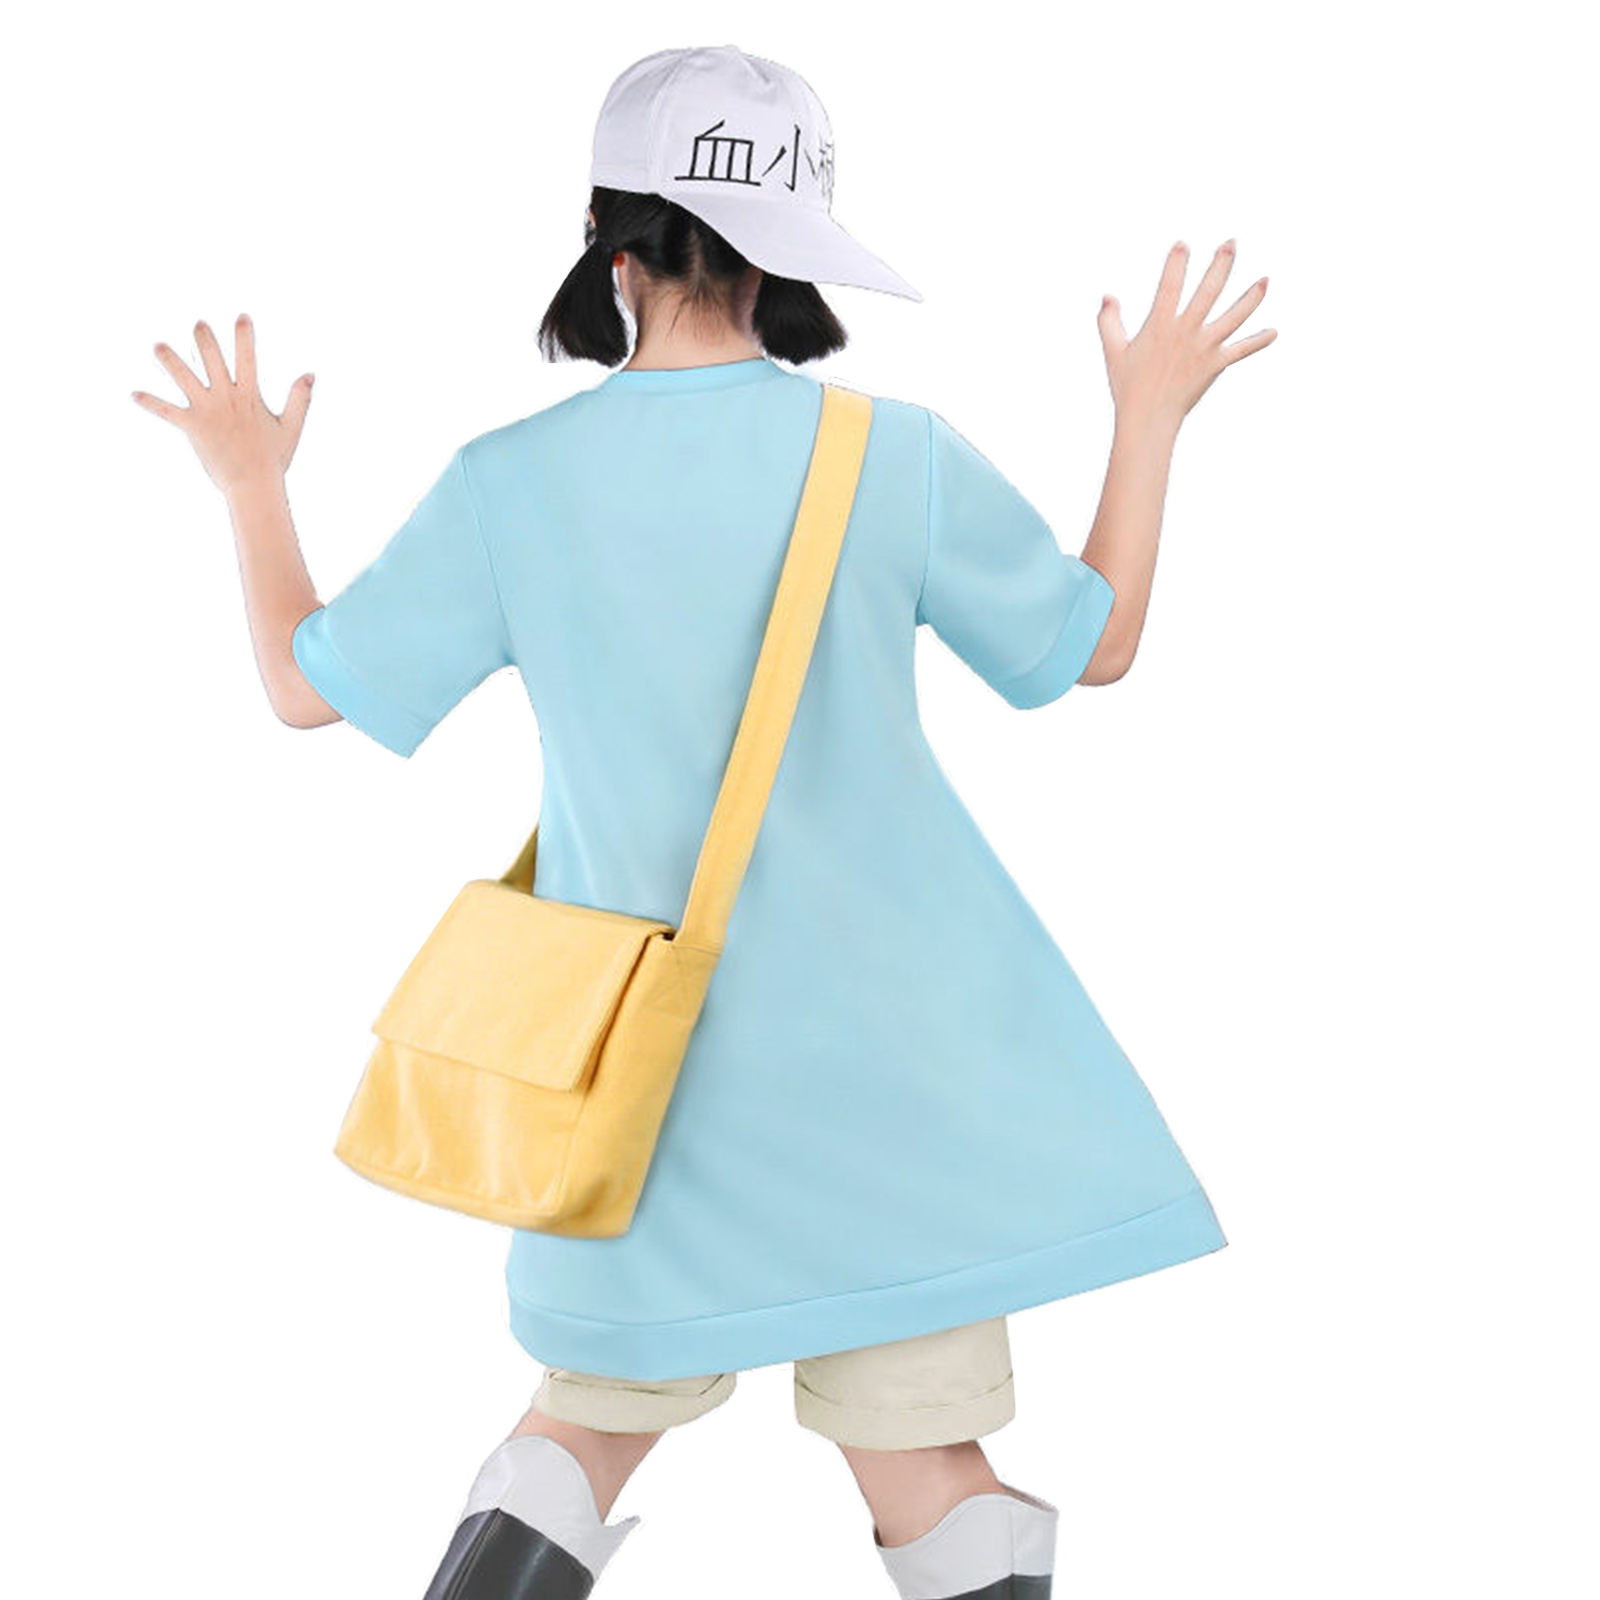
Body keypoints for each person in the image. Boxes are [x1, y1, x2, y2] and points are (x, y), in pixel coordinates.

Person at [133, 42, 1275, 1600]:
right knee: (936, 1484)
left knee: (568, 1449)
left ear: (610, 255)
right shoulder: (893, 455)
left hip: (635, 1093)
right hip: (895, 1096)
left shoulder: (509, 485)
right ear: (790, 260)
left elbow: (302, 685)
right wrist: (1148, 415)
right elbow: (1092, 647)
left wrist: (248, 479)